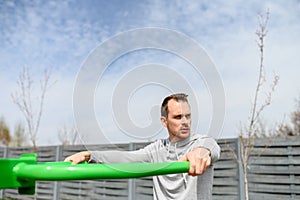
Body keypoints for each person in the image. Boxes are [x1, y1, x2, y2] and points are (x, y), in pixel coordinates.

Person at [65, 93, 220, 200]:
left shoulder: (201, 142)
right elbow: (128, 158)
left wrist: (201, 153)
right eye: (178, 117)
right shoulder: (156, 150)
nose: (185, 121)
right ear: (164, 122)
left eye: (188, 116)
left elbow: (211, 147)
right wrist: (90, 155)